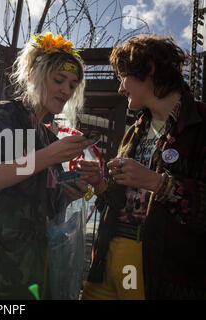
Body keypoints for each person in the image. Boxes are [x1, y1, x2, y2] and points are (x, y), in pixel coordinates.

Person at [0, 32, 93, 299]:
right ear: (33, 74)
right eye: (59, 80)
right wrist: (48, 156)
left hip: (32, 265)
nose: (66, 91)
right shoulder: (7, 115)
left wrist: (71, 188)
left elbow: (46, 204)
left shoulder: (48, 136)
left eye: (72, 85)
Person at [79, 34, 206, 299]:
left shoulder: (200, 125)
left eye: (123, 76)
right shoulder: (134, 132)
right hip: (107, 256)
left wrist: (157, 182)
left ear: (148, 70)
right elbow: (120, 199)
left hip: (157, 269)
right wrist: (100, 185)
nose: (120, 89)